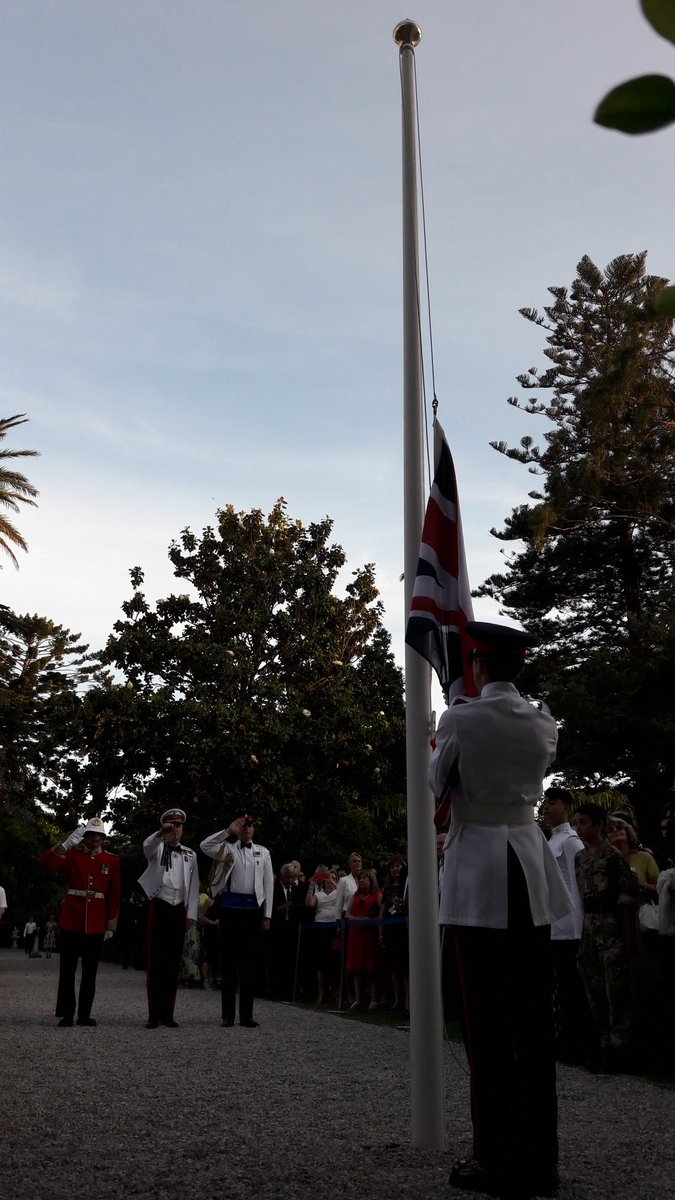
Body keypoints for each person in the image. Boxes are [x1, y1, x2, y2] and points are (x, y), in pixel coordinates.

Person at [430, 621, 572, 1200]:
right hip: (529, 870)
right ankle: (541, 1159)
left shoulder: (459, 717)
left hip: (480, 873)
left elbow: (439, 782)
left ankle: (495, 1156)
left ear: (480, 666)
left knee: (486, 1025)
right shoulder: (543, 721)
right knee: (533, 1025)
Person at [38, 816, 121, 1027]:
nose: (93, 839)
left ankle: (84, 1014)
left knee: (89, 972)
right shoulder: (73, 856)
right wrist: (65, 845)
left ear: (103, 838)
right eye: (90, 835)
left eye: (98, 836)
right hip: (71, 920)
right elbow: (45, 862)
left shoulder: (112, 861)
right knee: (67, 971)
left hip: (96, 922)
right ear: (83, 837)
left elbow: (114, 894)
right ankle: (67, 1013)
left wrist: (110, 925)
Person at [574, 803, 638, 1070]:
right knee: (595, 987)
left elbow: (625, 897)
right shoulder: (580, 858)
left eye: (584, 823)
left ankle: (620, 1046)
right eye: (577, 823)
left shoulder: (612, 857)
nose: (579, 828)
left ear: (599, 825)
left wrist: (628, 938)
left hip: (610, 924)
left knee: (616, 988)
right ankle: (602, 1043)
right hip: (589, 925)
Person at [200, 814, 273, 1028]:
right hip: (230, 908)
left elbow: (268, 884)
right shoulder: (227, 848)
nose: (246, 829)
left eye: (250, 826)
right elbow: (205, 845)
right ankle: (228, 1015)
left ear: (254, 830)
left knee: (249, 964)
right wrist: (228, 831)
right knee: (229, 963)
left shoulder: (263, 852)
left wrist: (267, 915)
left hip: (252, 909)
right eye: (243, 826)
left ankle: (247, 1015)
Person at [541, 787, 592, 1063]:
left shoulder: (572, 841)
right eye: (546, 802)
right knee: (559, 987)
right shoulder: (551, 840)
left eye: (554, 802)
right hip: (552, 924)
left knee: (573, 988)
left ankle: (579, 1043)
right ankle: (563, 1040)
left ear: (567, 807)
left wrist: (580, 922)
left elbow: (578, 884)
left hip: (569, 925)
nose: (547, 807)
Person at [139, 807, 200, 1028]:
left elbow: (194, 887)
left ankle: (168, 1013)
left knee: (173, 962)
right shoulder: (157, 847)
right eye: (171, 826)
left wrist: (191, 913)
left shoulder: (190, 854)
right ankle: (154, 1013)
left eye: (179, 826)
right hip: (160, 904)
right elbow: (146, 847)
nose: (175, 830)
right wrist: (159, 833)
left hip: (178, 908)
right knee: (156, 961)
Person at [345, 868, 381, 1010]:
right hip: (355, 935)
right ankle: (358, 999)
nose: (361, 881)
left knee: (370, 966)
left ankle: (374, 999)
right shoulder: (355, 896)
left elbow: (381, 915)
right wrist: (356, 919)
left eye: (365, 878)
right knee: (356, 967)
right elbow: (347, 914)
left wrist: (369, 920)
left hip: (369, 935)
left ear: (371, 880)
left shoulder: (377, 895)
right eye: (360, 878)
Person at [305, 867, 340, 1003]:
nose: (330, 880)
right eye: (328, 878)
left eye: (333, 878)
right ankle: (321, 993)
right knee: (321, 963)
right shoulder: (319, 894)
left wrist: (335, 885)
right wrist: (312, 885)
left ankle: (334, 992)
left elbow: (346, 897)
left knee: (334, 962)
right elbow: (309, 903)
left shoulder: (338, 892)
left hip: (333, 928)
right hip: (320, 928)